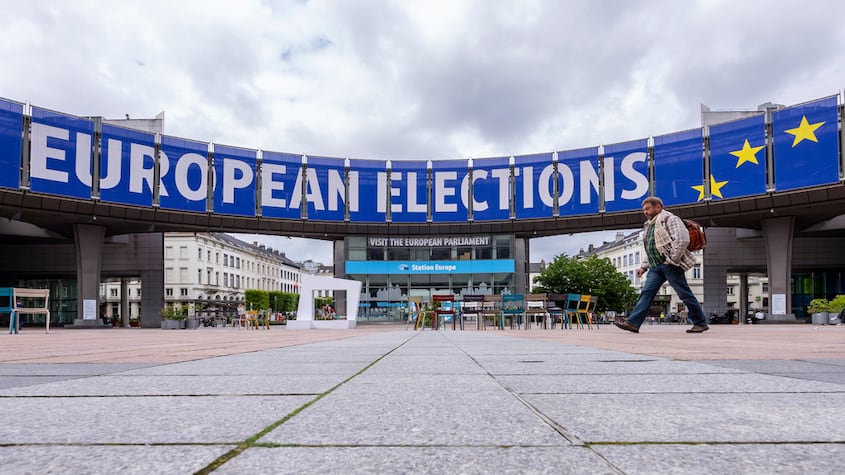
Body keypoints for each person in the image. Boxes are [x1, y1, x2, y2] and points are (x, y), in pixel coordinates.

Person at [614, 196, 710, 334]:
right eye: (644, 210)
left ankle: (700, 323)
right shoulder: (649, 225)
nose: (645, 212)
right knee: (646, 293)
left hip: (670, 265)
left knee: (684, 294)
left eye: (648, 209)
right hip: (655, 266)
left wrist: (672, 259)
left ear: (658, 207)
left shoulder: (670, 219)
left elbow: (682, 240)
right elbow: (651, 247)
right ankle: (633, 323)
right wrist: (644, 266)